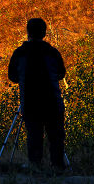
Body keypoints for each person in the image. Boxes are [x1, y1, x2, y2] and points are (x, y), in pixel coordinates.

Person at [7, 17, 67, 171]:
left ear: (28, 32)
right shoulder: (52, 52)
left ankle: (35, 169)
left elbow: (12, 76)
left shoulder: (20, 53)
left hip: (30, 103)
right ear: (44, 32)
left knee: (34, 138)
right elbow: (61, 73)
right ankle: (58, 168)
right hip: (53, 102)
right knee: (56, 138)